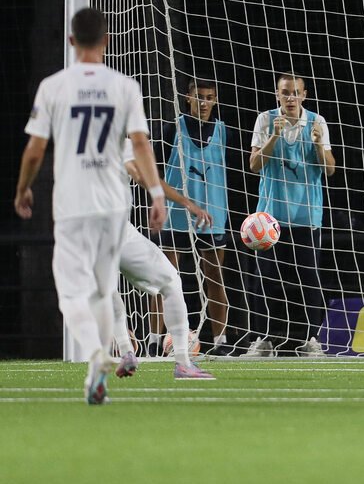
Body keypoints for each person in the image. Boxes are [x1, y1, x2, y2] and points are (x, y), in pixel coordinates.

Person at [14, 7, 166, 405]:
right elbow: (141, 144)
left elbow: (34, 149)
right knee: (103, 290)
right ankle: (105, 362)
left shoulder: (53, 86)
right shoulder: (125, 87)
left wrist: (23, 190)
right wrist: (157, 193)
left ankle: (97, 354)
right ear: (106, 41)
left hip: (73, 205)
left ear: (70, 41)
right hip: (114, 208)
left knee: (72, 295)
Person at [244, 72, 336, 357]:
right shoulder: (265, 119)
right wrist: (274, 136)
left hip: (307, 216)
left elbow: (330, 168)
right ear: (277, 94)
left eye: (296, 92)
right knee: (266, 280)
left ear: (304, 95)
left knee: (309, 279)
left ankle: (311, 338)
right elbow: (254, 165)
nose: (291, 97)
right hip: (269, 221)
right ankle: (264, 339)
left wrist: (319, 144)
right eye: (286, 92)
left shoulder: (317, 122)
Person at [112, 138, 216, 380]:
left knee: (108, 290)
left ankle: (126, 351)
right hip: (115, 229)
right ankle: (182, 362)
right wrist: (184, 202)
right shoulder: (120, 141)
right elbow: (139, 175)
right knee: (171, 282)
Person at [153, 79, 233, 356]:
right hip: (176, 216)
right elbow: (155, 175)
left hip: (212, 216)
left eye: (209, 97)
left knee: (215, 277)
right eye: (198, 96)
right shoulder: (171, 129)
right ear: (188, 98)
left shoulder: (224, 132)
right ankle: (155, 339)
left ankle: (220, 341)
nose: (203, 102)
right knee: (165, 279)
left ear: (216, 100)